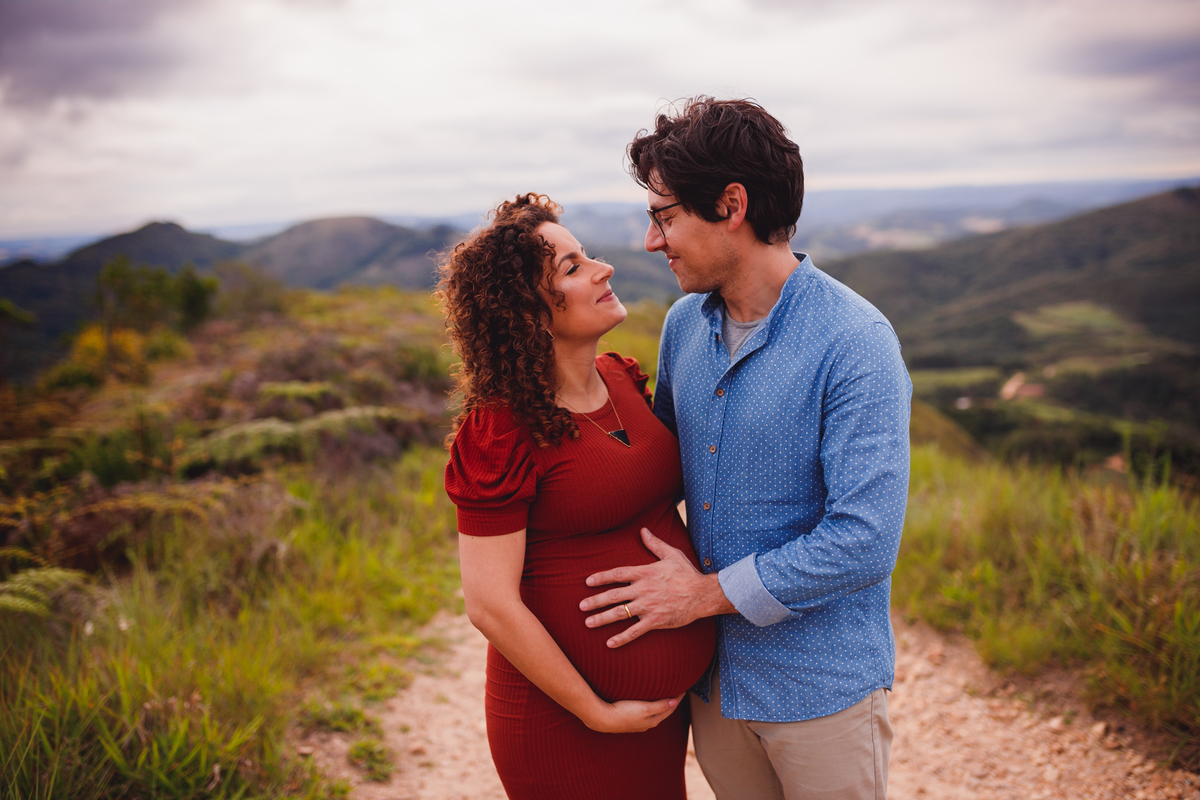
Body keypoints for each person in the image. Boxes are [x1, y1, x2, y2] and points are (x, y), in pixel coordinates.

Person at [579, 97, 912, 799]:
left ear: (732, 205)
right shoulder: (681, 325)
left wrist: (703, 596)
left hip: (820, 692)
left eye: (664, 217)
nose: (651, 241)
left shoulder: (856, 341)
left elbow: (865, 540)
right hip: (714, 688)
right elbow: (656, 475)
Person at [439, 193, 716, 800]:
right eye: (572, 267)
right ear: (527, 312)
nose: (603, 268)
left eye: (585, 254)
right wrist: (595, 710)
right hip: (562, 720)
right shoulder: (501, 428)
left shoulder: (622, 378)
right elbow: (489, 605)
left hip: (657, 716)